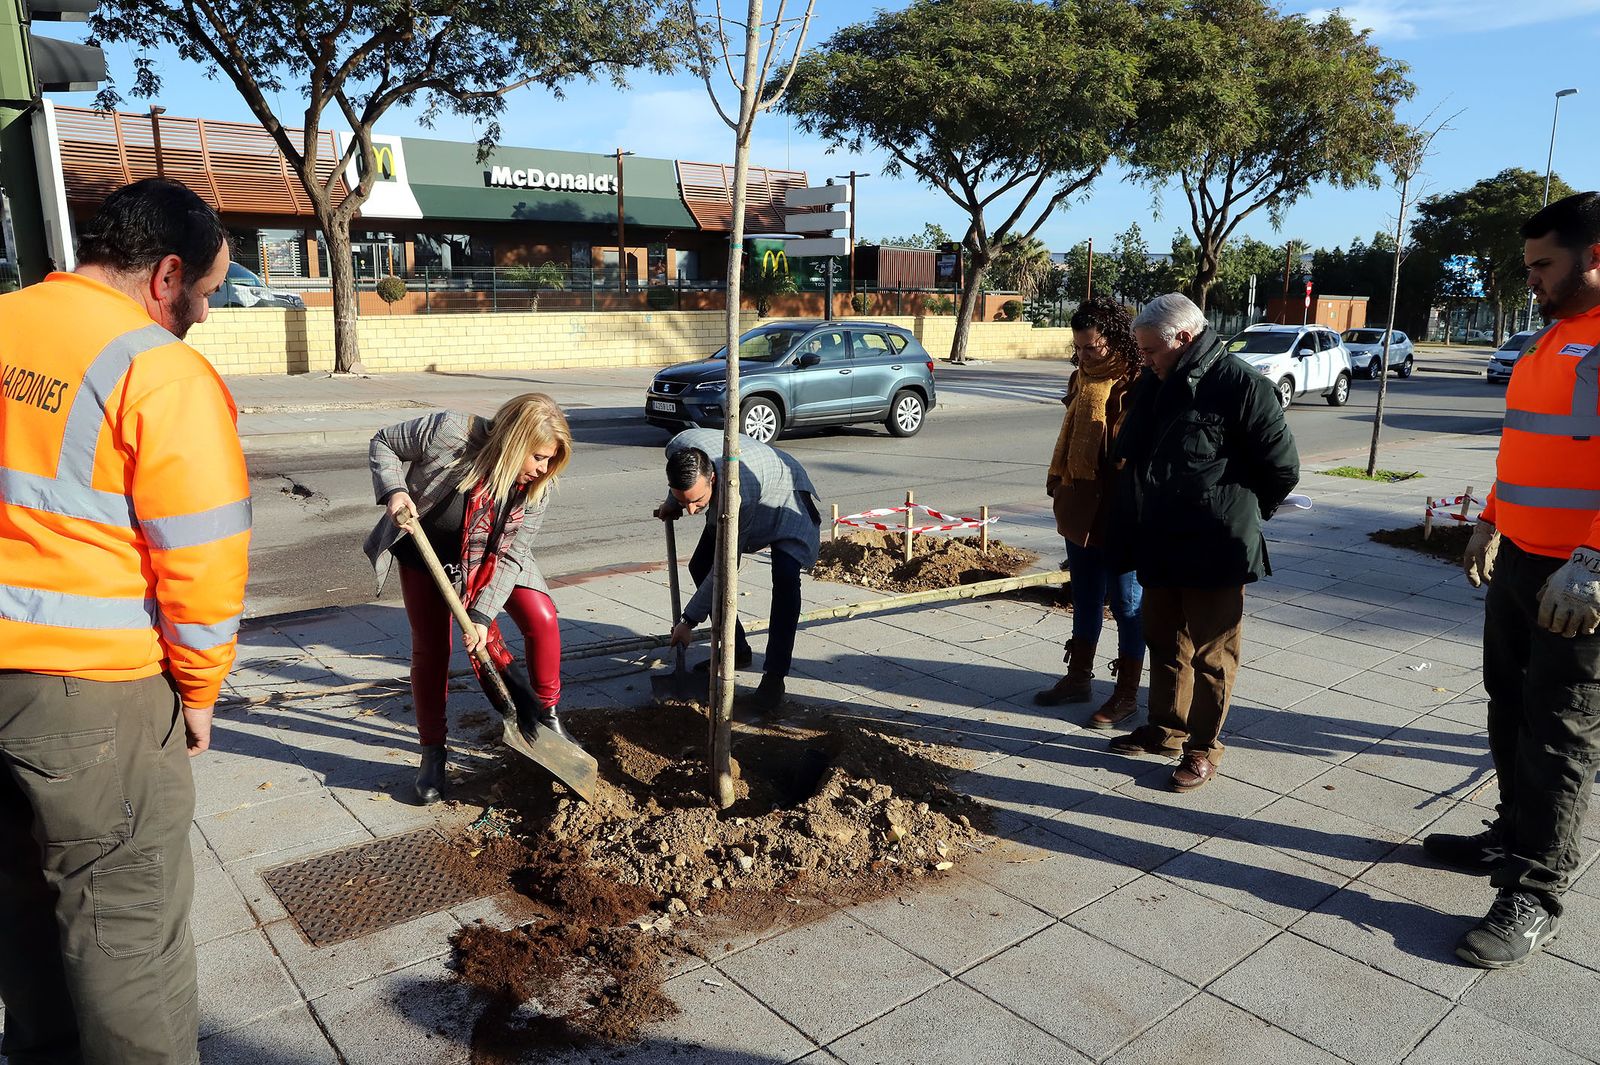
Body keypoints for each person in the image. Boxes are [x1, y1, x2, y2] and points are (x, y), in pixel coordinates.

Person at [0, 178, 251, 1064]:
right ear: (167, 274)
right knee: (124, 943)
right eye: (211, 292)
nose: (208, 314)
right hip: (92, 700)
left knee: (21, 926)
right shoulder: (159, 368)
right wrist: (200, 688)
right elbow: (203, 560)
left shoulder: (4, 321)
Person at [1424, 191, 1600, 969]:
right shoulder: (1546, 341)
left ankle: (1536, 891)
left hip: (1578, 577)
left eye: (1543, 264)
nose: (1530, 278)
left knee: (1561, 729)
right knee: (1511, 708)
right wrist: (1489, 519)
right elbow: (1527, 447)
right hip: (1523, 558)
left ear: (1595, 257)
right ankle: (1513, 830)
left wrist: (1593, 561)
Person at [1106, 293, 1298, 792]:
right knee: (1166, 642)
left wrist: (1240, 512)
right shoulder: (1158, 381)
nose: (1144, 360)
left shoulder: (1242, 387)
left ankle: (1202, 749)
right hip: (1161, 540)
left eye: (1150, 350)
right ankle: (1166, 729)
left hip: (1216, 544)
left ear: (1185, 339)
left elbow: (1282, 468)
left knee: (1213, 655)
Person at [365, 393, 572, 805]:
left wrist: (481, 615)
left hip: (494, 556)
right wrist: (394, 490)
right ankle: (432, 753)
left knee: (541, 615)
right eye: (538, 457)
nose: (543, 469)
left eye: (551, 460)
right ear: (514, 441)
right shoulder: (448, 432)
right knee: (431, 651)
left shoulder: (538, 487)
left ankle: (546, 718)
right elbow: (384, 441)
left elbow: (512, 556)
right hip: (426, 553)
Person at [1035, 296, 1147, 727]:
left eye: (1091, 348)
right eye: (1078, 348)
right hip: (1079, 505)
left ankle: (1126, 694)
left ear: (1115, 340)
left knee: (1127, 602)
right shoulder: (1080, 378)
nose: (1083, 356)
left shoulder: (1135, 382)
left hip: (1120, 511)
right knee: (1083, 595)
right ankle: (1078, 677)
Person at [658, 428, 822, 713]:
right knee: (699, 565)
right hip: (744, 486)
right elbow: (682, 483)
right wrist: (673, 503)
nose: (693, 511)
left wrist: (688, 620)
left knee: (785, 581)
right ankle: (736, 648)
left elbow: (724, 569)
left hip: (786, 497)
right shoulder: (678, 448)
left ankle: (774, 678)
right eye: (687, 502)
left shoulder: (737, 497)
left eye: (698, 501)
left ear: (712, 478)